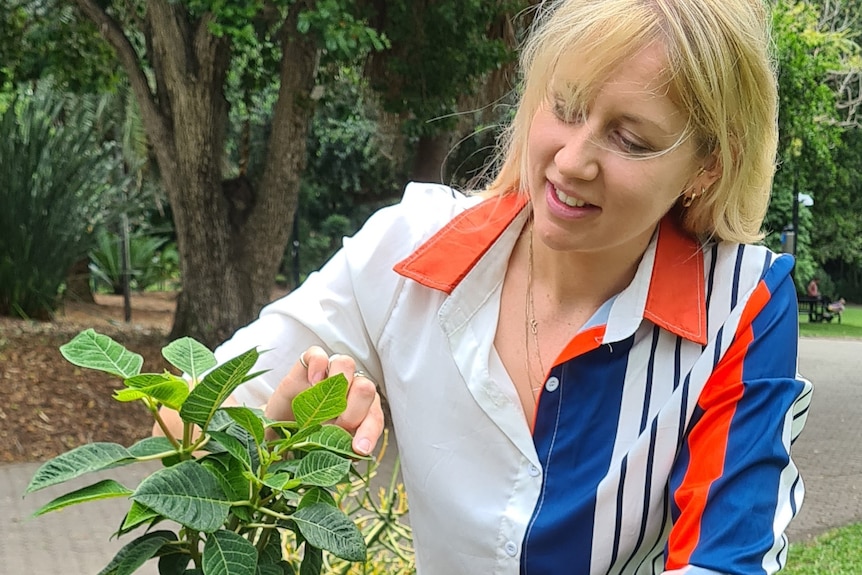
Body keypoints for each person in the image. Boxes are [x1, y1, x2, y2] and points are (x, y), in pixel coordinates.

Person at [169, 1, 814, 573]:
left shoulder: (741, 302)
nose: (570, 160)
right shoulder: (409, 246)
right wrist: (282, 417)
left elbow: (728, 559)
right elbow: (186, 411)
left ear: (708, 166)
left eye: (628, 138)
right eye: (563, 106)